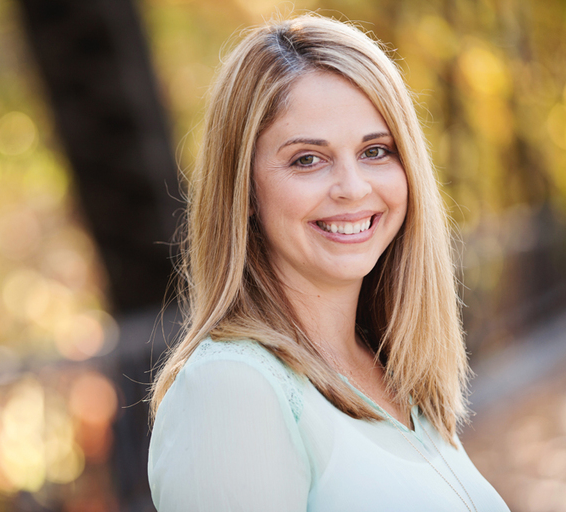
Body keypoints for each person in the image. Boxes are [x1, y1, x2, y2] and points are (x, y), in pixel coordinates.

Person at [146, 13, 510, 512]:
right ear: (245, 191)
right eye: (307, 159)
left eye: (376, 151)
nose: (353, 188)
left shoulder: (397, 375)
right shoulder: (231, 390)